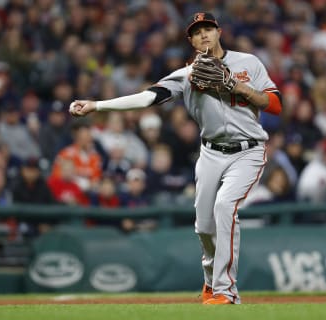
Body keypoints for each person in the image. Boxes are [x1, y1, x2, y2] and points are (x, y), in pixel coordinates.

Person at [69, 12, 282, 305]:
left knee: (225, 206)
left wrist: (238, 87)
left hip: (248, 150)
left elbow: (275, 104)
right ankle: (210, 282)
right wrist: (97, 105)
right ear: (192, 41)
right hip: (210, 152)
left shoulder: (248, 63)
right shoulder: (186, 75)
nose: (204, 34)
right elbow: (147, 98)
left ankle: (226, 291)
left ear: (219, 32)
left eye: (208, 28)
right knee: (203, 226)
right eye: (197, 32)